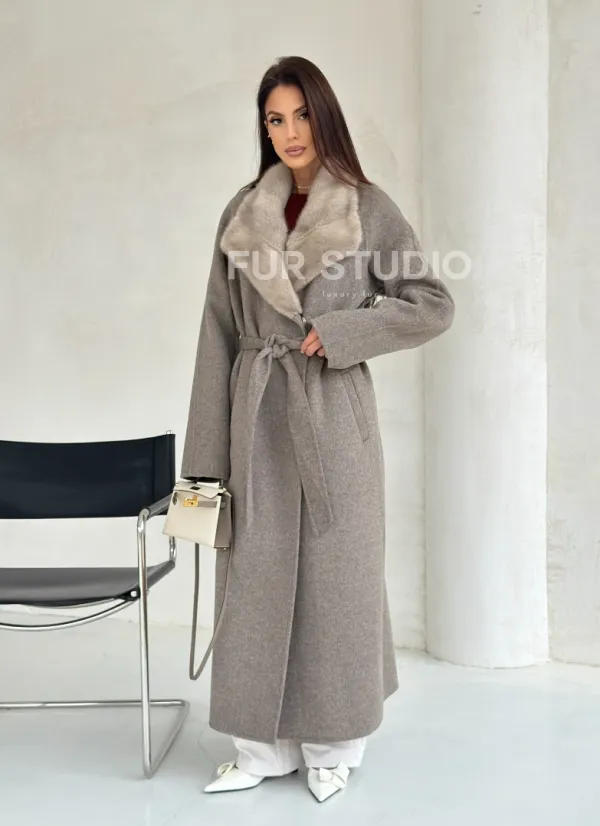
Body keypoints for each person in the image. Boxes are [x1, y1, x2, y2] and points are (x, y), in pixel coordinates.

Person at [181, 55, 454, 803]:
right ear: (264, 128)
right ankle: (261, 749)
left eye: (301, 114)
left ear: (324, 116)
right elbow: (215, 332)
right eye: (275, 118)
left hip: (335, 419)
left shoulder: (368, 207)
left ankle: (335, 745)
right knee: (254, 579)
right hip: (256, 416)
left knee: (338, 583)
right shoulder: (243, 212)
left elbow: (431, 302)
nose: (290, 131)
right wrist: (204, 460)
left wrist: (341, 332)